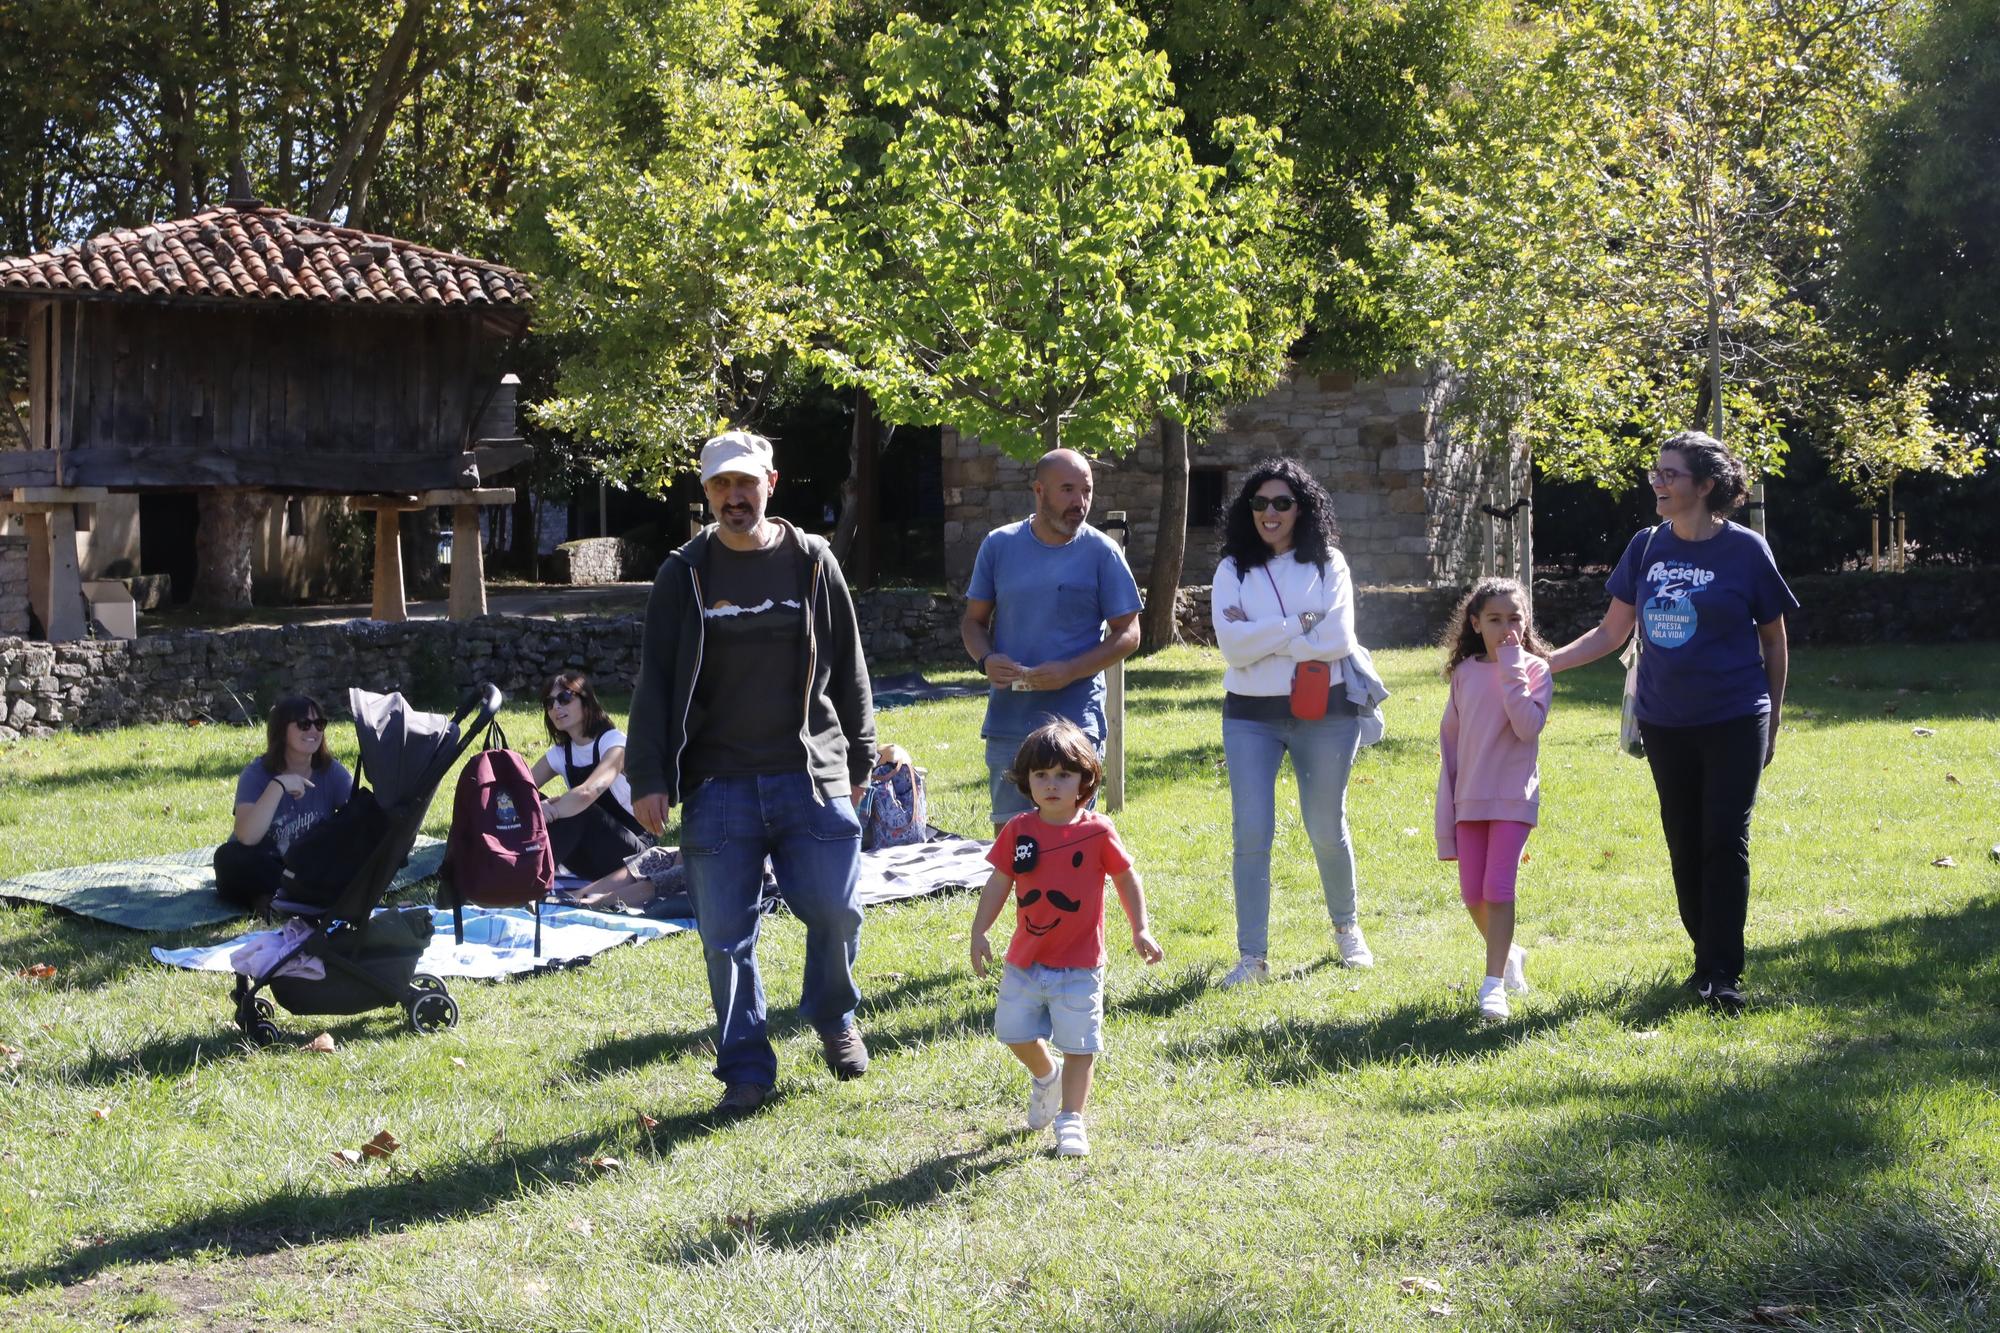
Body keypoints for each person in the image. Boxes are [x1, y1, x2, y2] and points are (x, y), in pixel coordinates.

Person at [625, 429, 878, 1118]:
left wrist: (859, 758)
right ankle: (745, 1067)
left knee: (836, 907)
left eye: (745, 483)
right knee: (725, 937)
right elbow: (655, 681)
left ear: (772, 480)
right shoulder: (685, 573)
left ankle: (833, 1013)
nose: (734, 497)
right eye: (719, 486)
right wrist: (648, 772)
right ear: (706, 492)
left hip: (811, 773)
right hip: (717, 783)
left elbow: (850, 669)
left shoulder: (814, 561)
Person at [1549, 430, 1797, 1014]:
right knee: (1684, 844)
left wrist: (1776, 712)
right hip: (1664, 721)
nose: (1658, 482)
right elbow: (1613, 632)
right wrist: (1546, 663)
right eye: (1656, 473)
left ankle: (1722, 974)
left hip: (1736, 715)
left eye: (1671, 474)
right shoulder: (1647, 546)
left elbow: (1773, 636)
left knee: (1724, 840)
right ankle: (1705, 956)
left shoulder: (1745, 551)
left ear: (1706, 486)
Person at [1210, 458, 1378, 986]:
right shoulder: (1231, 568)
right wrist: (1301, 624)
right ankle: (1252, 958)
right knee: (1251, 832)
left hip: (1324, 711)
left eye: (1282, 502)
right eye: (1260, 503)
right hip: (1249, 717)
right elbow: (1233, 650)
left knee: (1327, 827)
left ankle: (1347, 929)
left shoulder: (1330, 563)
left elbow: (1339, 641)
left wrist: (1264, 632)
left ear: (1301, 509)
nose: (1270, 513)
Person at [969, 721, 1162, 1157]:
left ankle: (1071, 1119)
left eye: (1063, 775)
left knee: (1080, 1045)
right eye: (1041, 775)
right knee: (1012, 1032)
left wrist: (1140, 928)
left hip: (1080, 965)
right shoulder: (1018, 830)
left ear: (1085, 780)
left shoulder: (1097, 831)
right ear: (1026, 781)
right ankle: (1045, 1077)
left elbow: (1126, 878)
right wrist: (980, 931)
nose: (1051, 785)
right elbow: (998, 884)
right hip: (1024, 961)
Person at [960, 448, 1142, 834]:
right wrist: (986, 659)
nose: (1080, 503)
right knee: (1015, 847)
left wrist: (1070, 671)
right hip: (1010, 722)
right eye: (1068, 490)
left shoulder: (1102, 552)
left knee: (1068, 844)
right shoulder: (998, 545)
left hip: (1077, 724)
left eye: (1087, 491)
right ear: (1039, 491)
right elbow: (973, 623)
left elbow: (1129, 633)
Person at [1435, 578, 1554, 1021]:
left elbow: (1526, 726)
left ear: (1526, 624)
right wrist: (1448, 801)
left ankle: (1493, 986)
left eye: (1515, 619)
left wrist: (1512, 667)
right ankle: (1509, 955)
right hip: (1469, 799)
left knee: (1498, 888)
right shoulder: (1463, 675)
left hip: (1512, 798)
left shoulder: (1536, 671)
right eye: (1495, 619)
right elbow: (1451, 741)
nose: (1506, 628)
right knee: (1472, 895)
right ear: (1475, 623)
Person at [213, 695, 353, 913]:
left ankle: (281, 898)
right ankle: (292, 895)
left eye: (319, 724)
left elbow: (357, 818)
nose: (314, 731)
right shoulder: (256, 774)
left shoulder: (331, 771)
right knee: (227, 859)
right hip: (267, 864)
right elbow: (247, 837)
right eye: (304, 725)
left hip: (309, 865)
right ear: (281, 731)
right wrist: (278, 785)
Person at [532, 671, 651, 882]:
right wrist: (536, 806)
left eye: (565, 698)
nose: (556, 707)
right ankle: (510, 871)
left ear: (586, 701)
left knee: (581, 807)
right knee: (529, 798)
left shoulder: (614, 742)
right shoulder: (561, 753)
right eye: (549, 703)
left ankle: (532, 882)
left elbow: (588, 792)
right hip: (590, 860)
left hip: (635, 857)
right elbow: (521, 786)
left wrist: (547, 811)